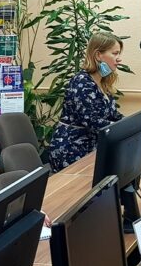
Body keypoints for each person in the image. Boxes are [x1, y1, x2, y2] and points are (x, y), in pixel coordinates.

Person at [48, 32, 124, 172]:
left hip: (91, 146)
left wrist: (130, 123)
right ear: (98, 55)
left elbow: (113, 115)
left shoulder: (103, 82)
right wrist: (123, 128)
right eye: (115, 53)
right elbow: (91, 121)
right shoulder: (81, 81)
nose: (119, 59)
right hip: (71, 148)